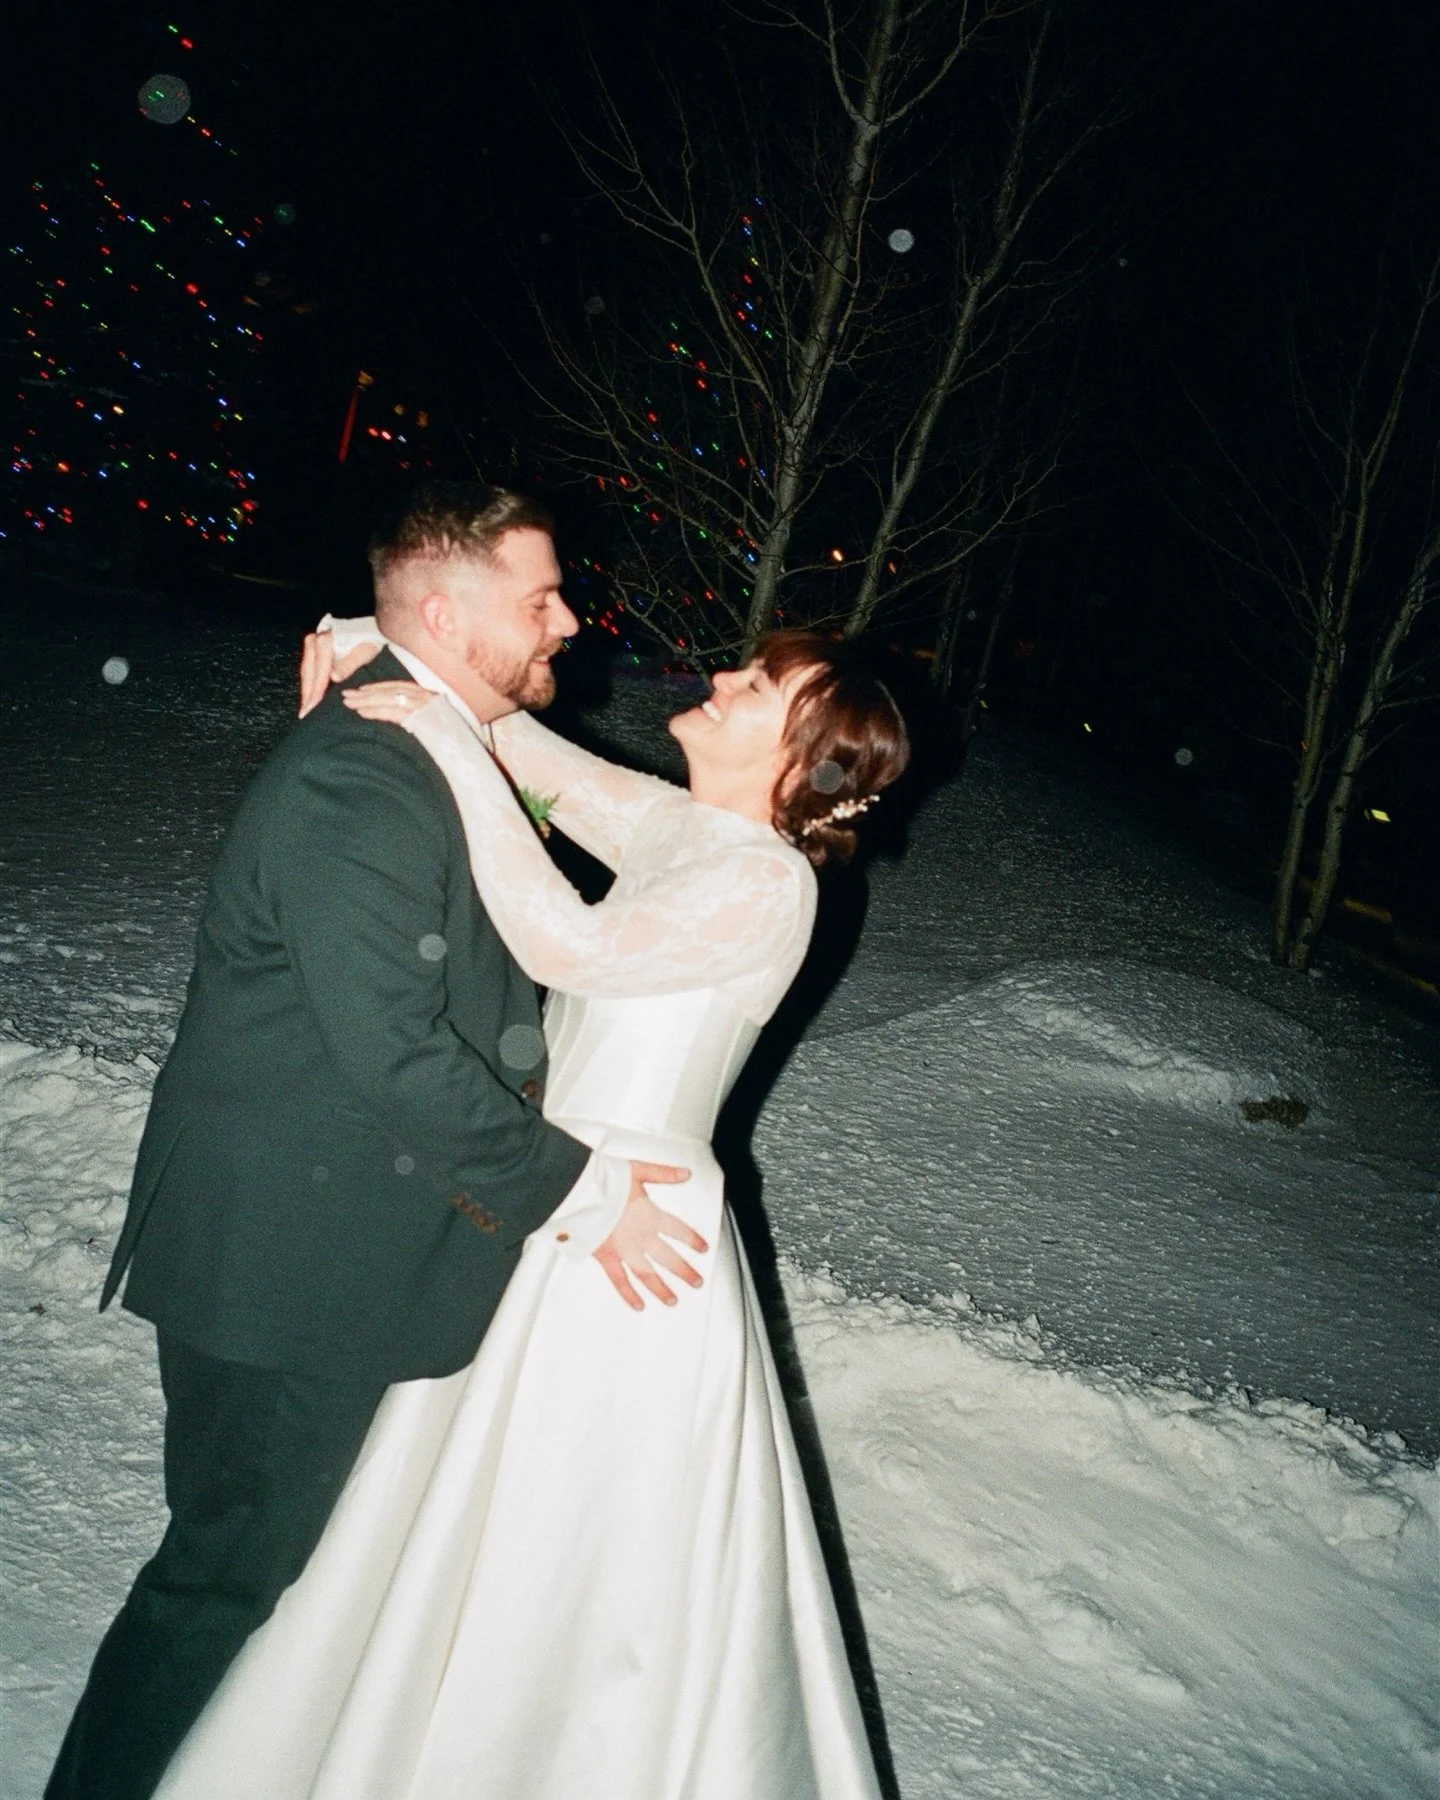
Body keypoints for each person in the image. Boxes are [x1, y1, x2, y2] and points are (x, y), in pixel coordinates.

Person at [149, 495, 910, 1798]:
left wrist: (442, 745)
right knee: (456, 1526)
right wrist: (371, 644)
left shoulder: (770, 881)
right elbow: (541, 765)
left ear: (798, 754)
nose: (721, 675)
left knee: (567, 1557)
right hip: (563, 1209)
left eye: (756, 683)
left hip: (629, 1234)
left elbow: (570, 942)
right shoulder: (697, 831)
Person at [46, 486, 698, 1800]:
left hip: (331, 1243)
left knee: (280, 1576)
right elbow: (399, 1059)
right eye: (541, 597)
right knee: (221, 1580)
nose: (570, 618)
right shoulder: (364, 777)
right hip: (281, 1262)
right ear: (449, 615)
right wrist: (584, 1196)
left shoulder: (422, 741)